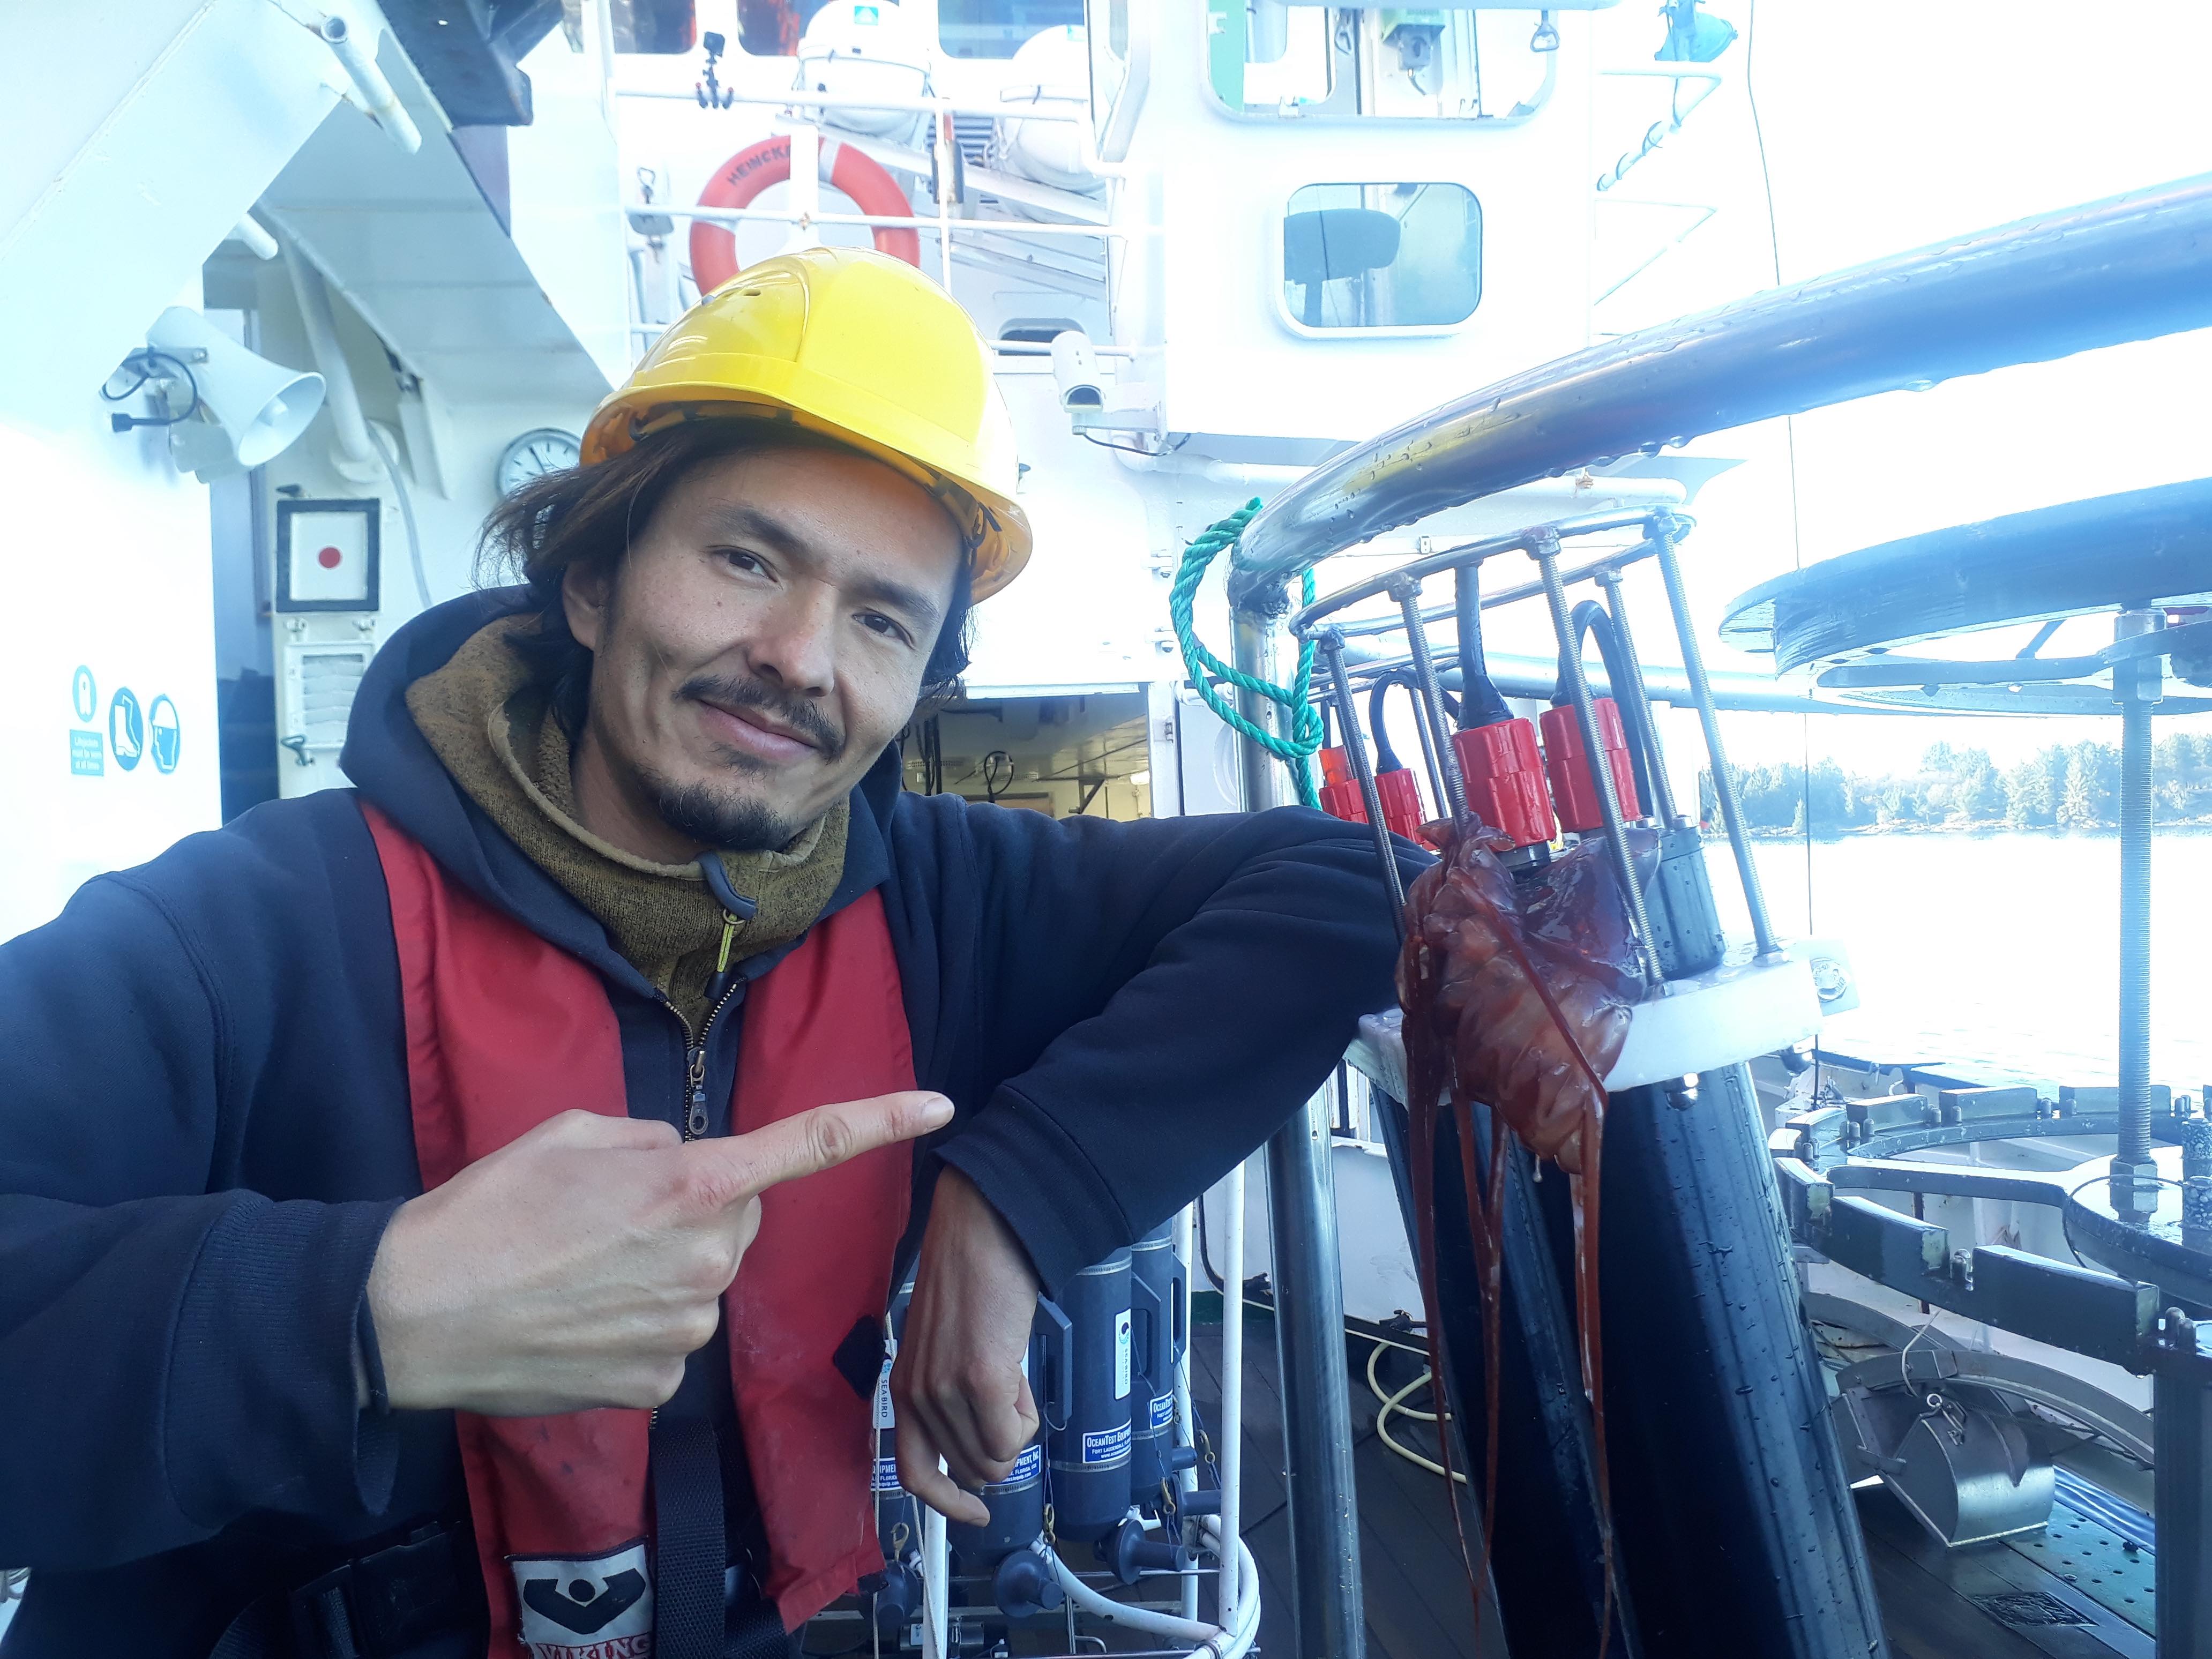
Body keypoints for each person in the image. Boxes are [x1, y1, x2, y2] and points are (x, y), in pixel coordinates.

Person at [0, 248, 1407, 1658]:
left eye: (881, 618)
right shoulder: (249, 933)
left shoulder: (944, 903)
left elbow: (1339, 888)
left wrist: (1014, 1206)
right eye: (748, 560)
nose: (801, 656)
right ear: (596, 580)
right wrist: (366, 1314)